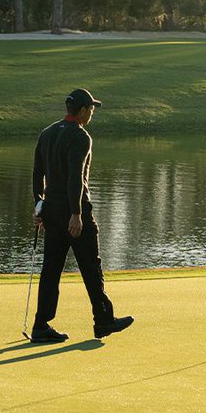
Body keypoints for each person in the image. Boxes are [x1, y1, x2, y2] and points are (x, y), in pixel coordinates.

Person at [29, 87, 134, 344]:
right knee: (90, 265)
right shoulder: (80, 137)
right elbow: (75, 178)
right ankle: (103, 320)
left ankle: (41, 325)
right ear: (83, 111)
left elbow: (36, 174)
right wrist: (76, 214)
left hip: (52, 210)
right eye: (91, 109)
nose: (92, 113)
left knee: (51, 269)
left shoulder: (47, 133)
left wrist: (39, 205)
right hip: (75, 211)